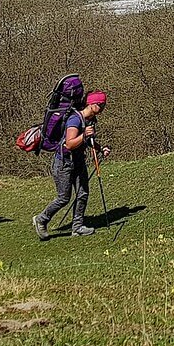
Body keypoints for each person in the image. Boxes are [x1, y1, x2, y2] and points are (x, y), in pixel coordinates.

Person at [33, 91, 109, 240]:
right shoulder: (74, 119)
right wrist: (84, 135)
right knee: (63, 198)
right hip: (64, 162)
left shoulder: (90, 120)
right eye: (100, 105)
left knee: (83, 193)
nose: (102, 108)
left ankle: (77, 227)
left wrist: (100, 148)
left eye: (103, 105)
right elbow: (70, 143)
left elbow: (87, 141)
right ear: (91, 104)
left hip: (78, 161)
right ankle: (41, 219)